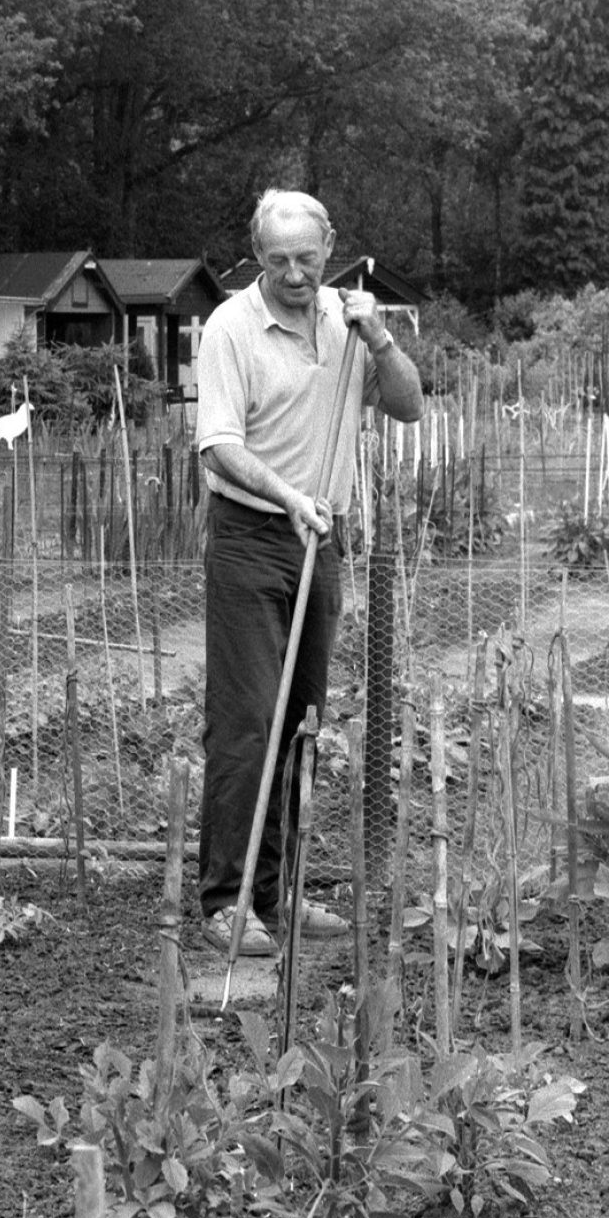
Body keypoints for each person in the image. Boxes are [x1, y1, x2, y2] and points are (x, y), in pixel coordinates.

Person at [194, 190, 424, 954]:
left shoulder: (347, 319)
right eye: (277, 260)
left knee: (301, 724)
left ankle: (278, 895)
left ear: (329, 250)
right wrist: (289, 495)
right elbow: (219, 446)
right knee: (247, 721)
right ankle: (226, 901)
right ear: (256, 257)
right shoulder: (230, 328)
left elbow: (409, 407)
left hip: (319, 541)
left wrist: (381, 340)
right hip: (251, 537)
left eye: (306, 259)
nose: (294, 274)